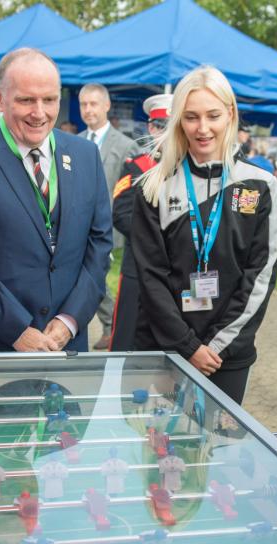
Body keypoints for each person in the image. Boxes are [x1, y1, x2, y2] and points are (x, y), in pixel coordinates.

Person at [0, 48, 112, 355]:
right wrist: (17, 330)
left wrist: (69, 320)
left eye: (50, 100)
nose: (39, 112)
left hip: (64, 348)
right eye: (26, 100)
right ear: (0, 98)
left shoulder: (85, 155)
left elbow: (99, 246)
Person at [132, 66, 277, 404]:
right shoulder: (153, 187)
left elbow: (261, 274)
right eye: (191, 117)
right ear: (179, 121)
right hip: (164, 347)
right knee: (162, 451)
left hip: (227, 355)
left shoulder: (260, 184)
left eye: (213, 115)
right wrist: (187, 345)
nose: (203, 128)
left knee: (218, 452)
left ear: (229, 114)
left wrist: (213, 346)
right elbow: (150, 277)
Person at [79, 83, 140, 349]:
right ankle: (106, 324)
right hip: (77, 224)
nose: (88, 110)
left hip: (109, 225)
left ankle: (113, 324)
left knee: (97, 275)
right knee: (85, 275)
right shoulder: (73, 142)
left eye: (93, 104)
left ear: (106, 106)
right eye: (83, 104)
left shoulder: (126, 146)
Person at [110, 93, 172, 352]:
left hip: (175, 272)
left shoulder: (190, 169)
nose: (164, 134)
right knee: (127, 340)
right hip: (139, 266)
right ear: (150, 128)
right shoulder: (137, 167)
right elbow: (121, 214)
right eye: (159, 127)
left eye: (170, 127)